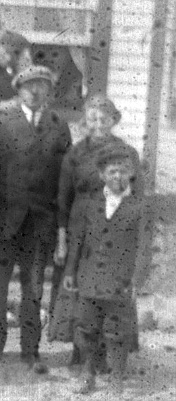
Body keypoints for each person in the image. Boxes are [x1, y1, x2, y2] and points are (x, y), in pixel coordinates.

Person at [0, 65, 71, 373]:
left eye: (42, 86)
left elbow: (63, 179)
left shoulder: (59, 126)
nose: (35, 91)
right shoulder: (2, 124)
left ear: (49, 91)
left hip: (40, 223)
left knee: (34, 289)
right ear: (19, 90)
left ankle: (30, 351)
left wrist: (60, 224)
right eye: (29, 85)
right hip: (5, 220)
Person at [49, 95, 140, 369]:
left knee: (109, 286)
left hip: (113, 223)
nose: (98, 124)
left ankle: (106, 353)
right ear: (85, 122)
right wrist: (62, 238)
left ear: (113, 120)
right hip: (80, 222)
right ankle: (80, 351)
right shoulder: (75, 153)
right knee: (77, 283)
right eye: (92, 119)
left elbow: (137, 196)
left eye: (103, 118)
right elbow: (63, 199)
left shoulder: (126, 152)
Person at [64, 147, 149, 395]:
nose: (117, 177)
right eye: (112, 172)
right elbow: (77, 241)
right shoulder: (89, 205)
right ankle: (88, 373)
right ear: (102, 175)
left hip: (120, 279)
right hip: (90, 276)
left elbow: (144, 247)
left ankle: (117, 378)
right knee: (86, 328)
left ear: (131, 174)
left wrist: (137, 279)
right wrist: (70, 273)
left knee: (117, 331)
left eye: (123, 172)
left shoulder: (138, 206)